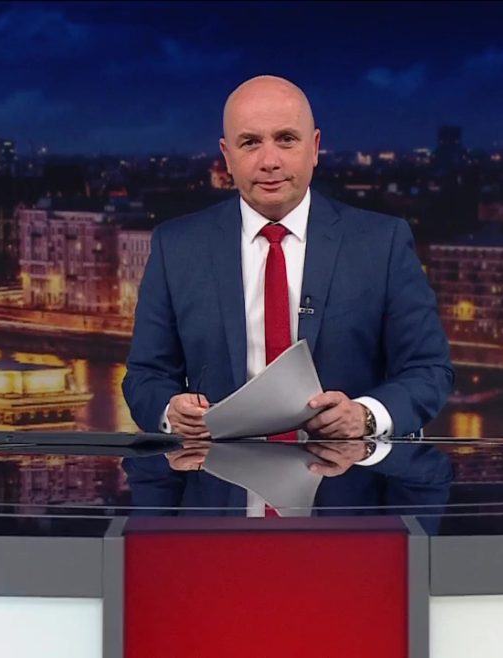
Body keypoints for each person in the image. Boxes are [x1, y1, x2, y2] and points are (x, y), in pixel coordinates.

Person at [121, 75, 453, 514]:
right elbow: (145, 375)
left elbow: (429, 370)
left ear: (314, 148)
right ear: (226, 156)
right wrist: (170, 412)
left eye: (286, 139)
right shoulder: (177, 246)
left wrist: (366, 415)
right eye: (250, 143)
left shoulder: (381, 243)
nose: (269, 161)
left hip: (346, 512)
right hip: (217, 513)